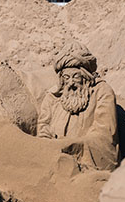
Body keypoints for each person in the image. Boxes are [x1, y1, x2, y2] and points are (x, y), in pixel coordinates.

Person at [36, 41, 119, 172]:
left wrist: (74, 146)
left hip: (88, 162)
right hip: (56, 158)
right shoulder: (52, 97)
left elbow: (104, 133)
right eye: (66, 77)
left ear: (85, 76)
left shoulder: (102, 92)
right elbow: (43, 127)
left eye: (76, 77)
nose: (71, 83)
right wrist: (48, 143)